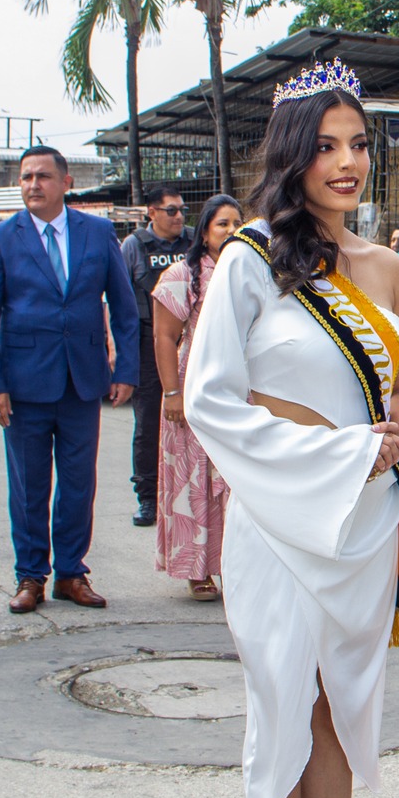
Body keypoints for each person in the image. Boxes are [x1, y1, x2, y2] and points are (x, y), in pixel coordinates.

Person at [181, 59, 399, 798]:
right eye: (325, 145)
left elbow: (395, 390)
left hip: (363, 522)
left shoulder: (388, 267)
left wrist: (395, 429)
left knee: (338, 715)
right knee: (282, 706)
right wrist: (335, 451)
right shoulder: (250, 260)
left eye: (358, 144)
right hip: (281, 521)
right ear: (292, 153)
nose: (347, 161)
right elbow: (211, 400)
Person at [0, 143, 138, 613]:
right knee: (29, 486)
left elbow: (124, 308)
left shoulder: (97, 233)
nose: (33, 185)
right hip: (24, 385)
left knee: (79, 484)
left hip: (83, 381)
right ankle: (30, 576)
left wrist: (125, 369)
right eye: (26, 177)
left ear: (66, 183)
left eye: (42, 176)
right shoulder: (0, 238)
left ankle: (71, 573)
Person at [152, 194, 243, 602]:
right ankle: (197, 569)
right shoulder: (181, 275)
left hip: (239, 386)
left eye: (238, 223)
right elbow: (164, 337)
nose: (232, 230)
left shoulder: (249, 272)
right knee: (194, 479)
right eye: (223, 223)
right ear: (204, 232)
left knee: (235, 478)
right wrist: (172, 393)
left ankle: (235, 566)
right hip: (193, 385)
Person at [122, 183, 194, 526]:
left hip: (191, 338)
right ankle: (148, 497)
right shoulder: (135, 246)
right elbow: (118, 300)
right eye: (171, 210)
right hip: (148, 340)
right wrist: (117, 349)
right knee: (149, 421)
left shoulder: (193, 241)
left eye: (182, 210)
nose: (179, 217)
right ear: (152, 212)